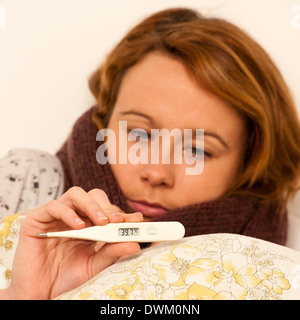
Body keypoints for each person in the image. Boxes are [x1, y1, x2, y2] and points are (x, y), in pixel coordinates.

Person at [0, 7, 300, 300]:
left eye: (196, 149)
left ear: (247, 162)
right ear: (104, 120)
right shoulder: (27, 182)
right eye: (139, 134)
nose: (156, 172)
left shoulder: (290, 256)